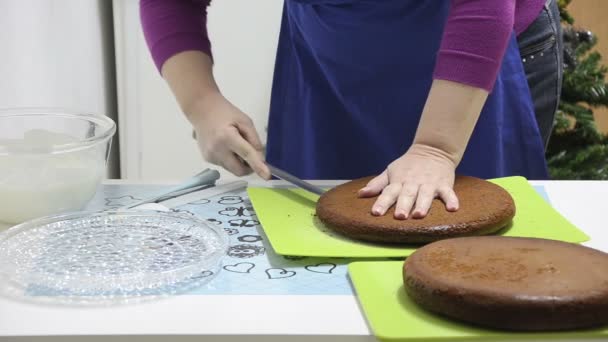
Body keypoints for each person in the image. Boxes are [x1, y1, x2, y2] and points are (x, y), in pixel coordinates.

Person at [140, 0, 562, 220]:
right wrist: (203, 105)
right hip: (330, 59)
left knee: (475, 246)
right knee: (333, 223)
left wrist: (435, 149)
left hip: (481, 44)